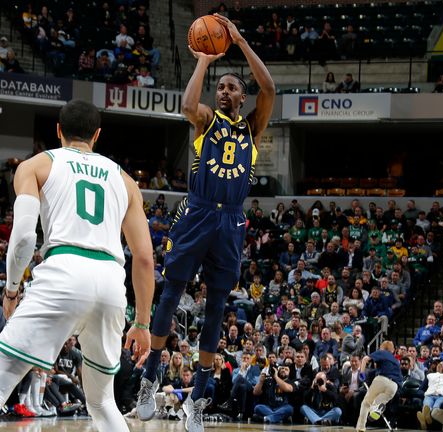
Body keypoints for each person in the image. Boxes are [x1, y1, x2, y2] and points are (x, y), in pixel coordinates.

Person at [0, 100, 155, 432]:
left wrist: (10, 291)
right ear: (97, 135)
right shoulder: (126, 181)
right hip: (111, 281)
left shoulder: (36, 165)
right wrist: (143, 323)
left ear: (59, 130)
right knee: (102, 402)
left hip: (64, 271)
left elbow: (22, 237)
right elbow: (146, 259)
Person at [135, 13, 275, 432]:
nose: (225, 91)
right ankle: (150, 374)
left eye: (232, 87)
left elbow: (268, 87)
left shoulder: (252, 127)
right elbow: (184, 105)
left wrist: (240, 42)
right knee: (172, 290)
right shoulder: (206, 120)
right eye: (221, 87)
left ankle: (197, 397)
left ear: (243, 97)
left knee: (216, 307)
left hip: (231, 223)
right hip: (196, 211)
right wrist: (203, 61)